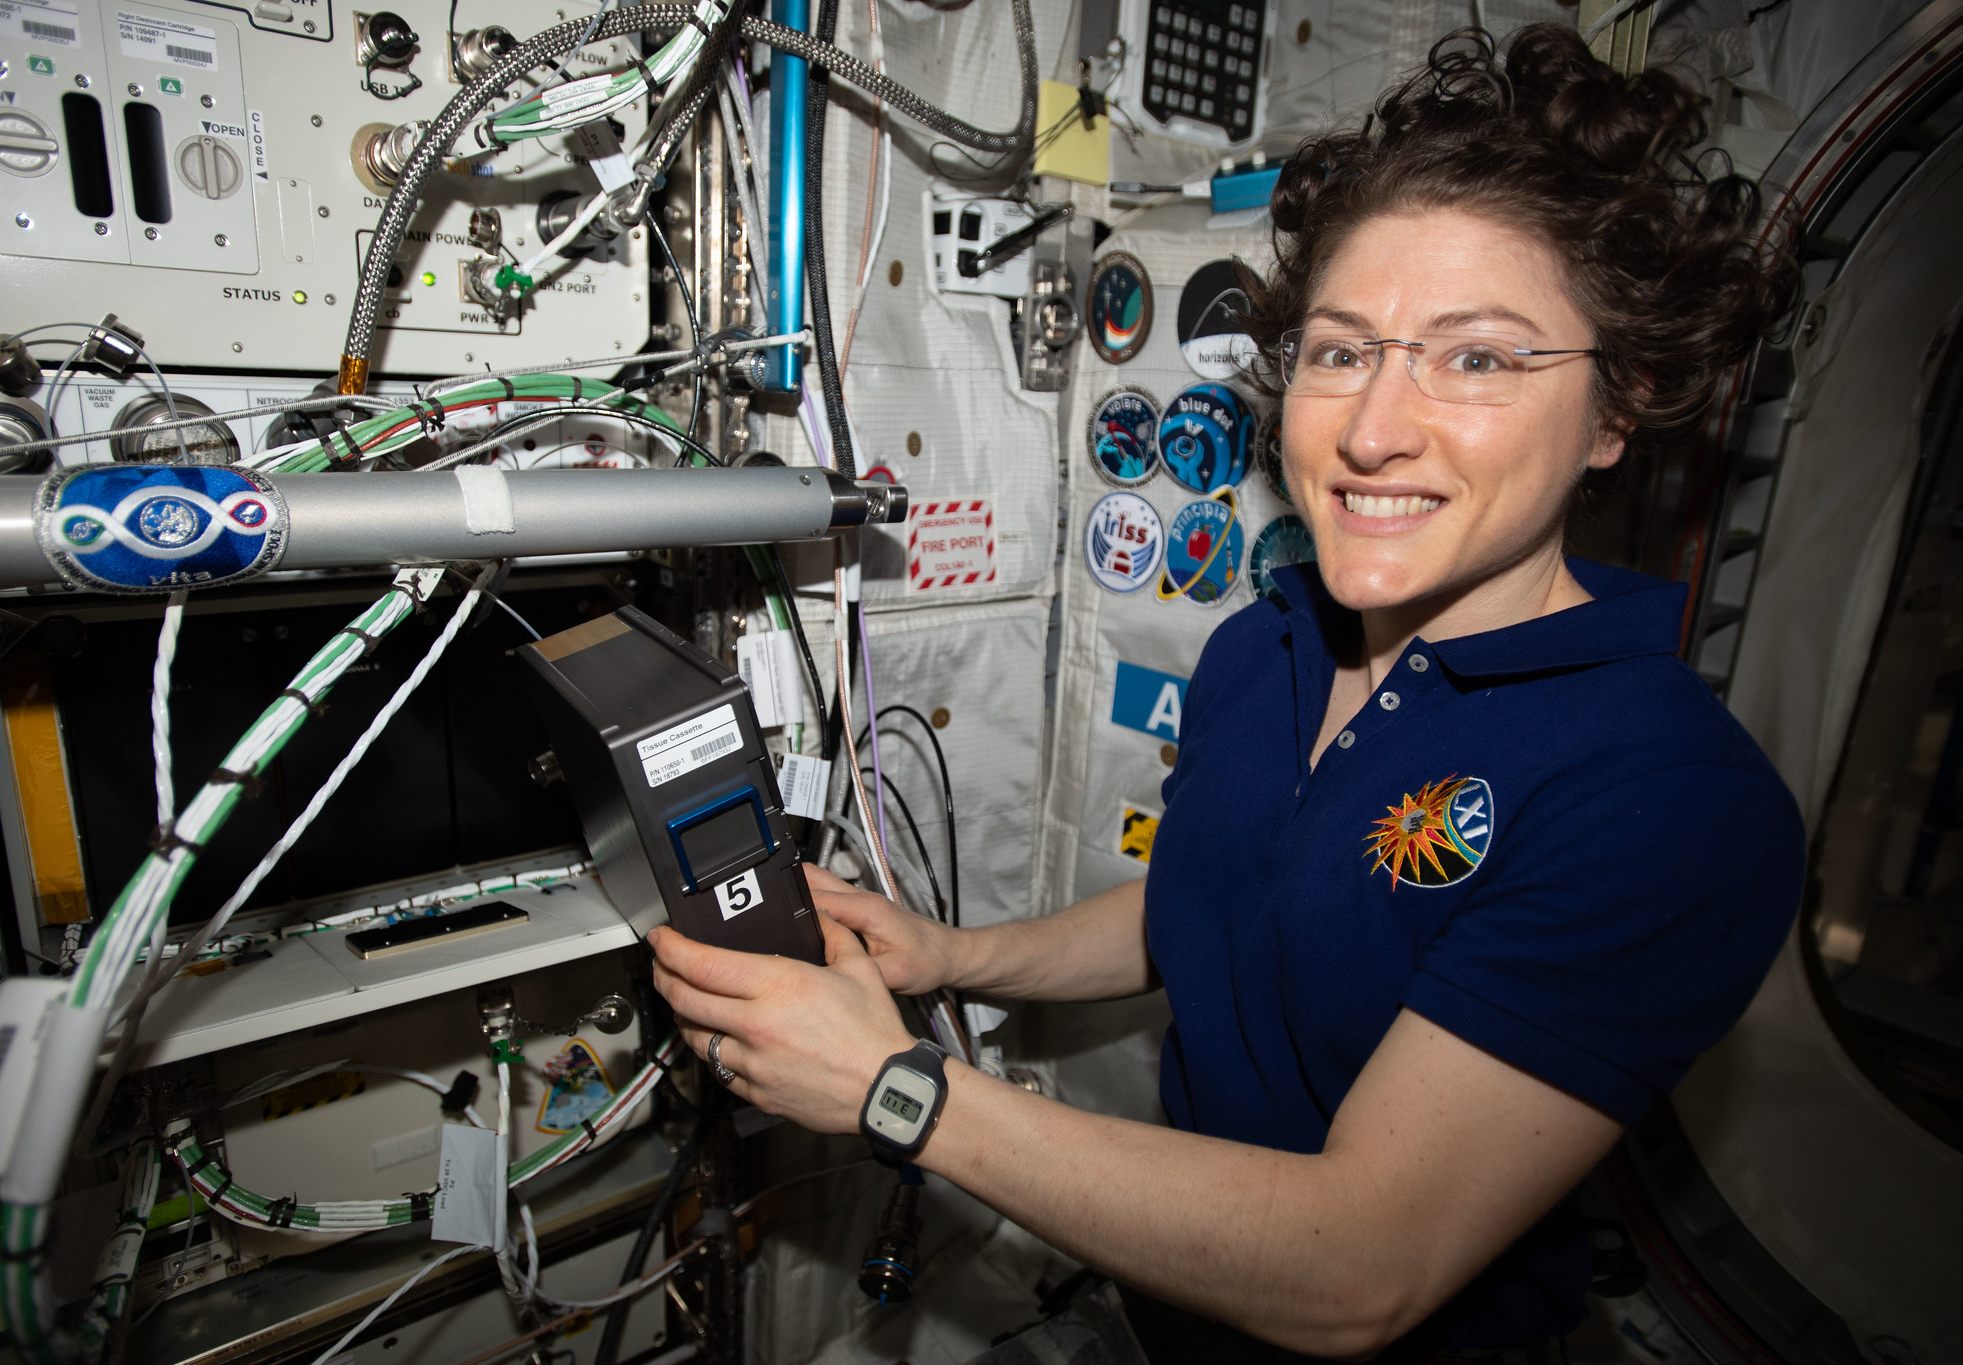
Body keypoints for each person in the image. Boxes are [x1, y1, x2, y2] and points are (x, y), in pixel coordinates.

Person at [648, 23, 1804, 1362]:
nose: (1374, 426)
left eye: (1477, 357)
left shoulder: (1668, 799)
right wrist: (955, 957)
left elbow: (1359, 1264)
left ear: (1619, 409)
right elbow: (1211, 897)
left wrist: (899, 1091)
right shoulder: (1272, 644)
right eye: (1341, 348)